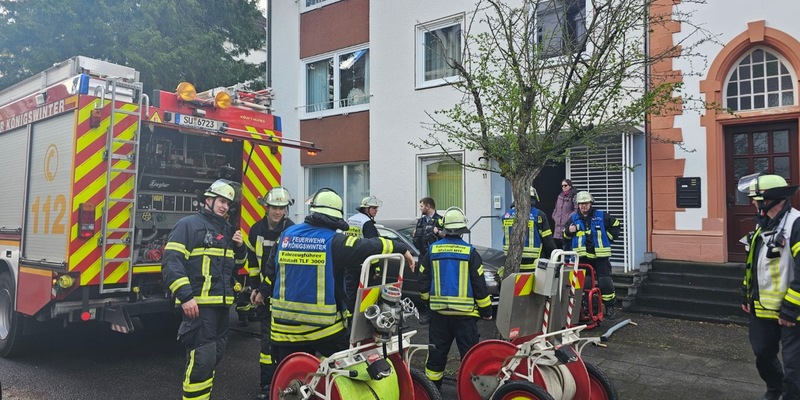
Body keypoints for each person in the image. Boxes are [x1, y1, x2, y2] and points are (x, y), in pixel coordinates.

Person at [253, 188, 415, 380]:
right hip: (324, 330)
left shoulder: (286, 235)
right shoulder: (332, 241)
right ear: (335, 218)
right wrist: (401, 247)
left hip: (284, 331)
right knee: (351, 369)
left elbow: (270, 271)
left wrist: (262, 292)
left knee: (291, 382)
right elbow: (368, 246)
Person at [162, 179, 247, 400]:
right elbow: (172, 262)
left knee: (215, 356)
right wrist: (186, 297)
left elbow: (237, 266)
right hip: (199, 306)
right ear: (208, 200)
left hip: (221, 306)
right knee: (203, 358)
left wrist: (240, 247)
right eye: (221, 201)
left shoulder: (228, 230)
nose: (224, 207)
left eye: (228, 204)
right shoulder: (188, 225)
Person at [739, 174, 800, 400]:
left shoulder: (796, 224)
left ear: (771, 199)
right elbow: (753, 266)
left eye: (756, 199)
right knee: (763, 355)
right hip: (762, 309)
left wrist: (791, 308)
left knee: (795, 368)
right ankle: (775, 392)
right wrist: (746, 295)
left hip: (792, 313)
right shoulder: (762, 227)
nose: (753, 203)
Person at [418, 207, 493, 391]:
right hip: (465, 317)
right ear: (462, 230)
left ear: (445, 228)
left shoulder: (432, 250)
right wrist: (486, 311)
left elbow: (423, 279)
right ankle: (471, 392)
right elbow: (479, 285)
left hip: (439, 315)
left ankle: (431, 392)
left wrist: (428, 302)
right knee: (470, 356)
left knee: (436, 356)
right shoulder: (470, 252)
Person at [246, 186, 295, 400]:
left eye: (281, 208)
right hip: (263, 296)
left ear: (286, 210)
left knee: (285, 340)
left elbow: (281, 267)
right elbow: (253, 264)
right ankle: (267, 385)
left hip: (284, 295)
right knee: (266, 344)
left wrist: (263, 291)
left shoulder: (291, 230)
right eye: (274, 207)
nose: (277, 212)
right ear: (266, 208)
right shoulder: (255, 229)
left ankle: (288, 381)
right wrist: (254, 288)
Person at [563, 191, 621, 319]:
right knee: (586, 284)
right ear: (577, 205)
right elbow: (565, 237)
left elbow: (616, 225)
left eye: (586, 203)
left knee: (605, 282)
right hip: (583, 258)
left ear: (590, 203)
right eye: (581, 204)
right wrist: (568, 231)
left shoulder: (601, 216)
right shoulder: (573, 219)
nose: (583, 206)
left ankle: (610, 307)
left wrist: (608, 238)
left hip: (600, 257)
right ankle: (590, 308)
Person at [502, 187, 557, 272]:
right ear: (533, 199)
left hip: (511, 261)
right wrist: (555, 255)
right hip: (533, 263)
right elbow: (547, 240)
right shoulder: (539, 215)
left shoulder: (506, 216)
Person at [343, 195, 383, 313]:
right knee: (367, 294)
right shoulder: (367, 223)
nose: (376, 210)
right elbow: (373, 247)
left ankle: (350, 320)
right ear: (366, 209)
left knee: (351, 293)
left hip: (350, 262)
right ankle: (364, 321)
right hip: (364, 265)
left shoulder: (351, 220)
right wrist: (376, 268)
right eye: (374, 208)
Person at [413, 197, 444, 324]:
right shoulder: (420, 221)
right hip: (423, 257)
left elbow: (448, 234)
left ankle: (437, 313)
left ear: (428, 206)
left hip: (435, 258)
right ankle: (428, 312)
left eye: (421, 206)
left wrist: (438, 232)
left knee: (436, 285)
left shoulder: (439, 220)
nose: (420, 208)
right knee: (423, 283)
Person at [552, 179, 577, 250]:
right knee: (558, 247)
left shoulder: (574, 197)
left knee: (567, 246)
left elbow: (576, 210)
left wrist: (568, 219)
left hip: (567, 226)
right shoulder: (560, 196)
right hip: (557, 227)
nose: (563, 187)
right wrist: (554, 216)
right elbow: (556, 208)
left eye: (565, 185)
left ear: (570, 186)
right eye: (562, 186)